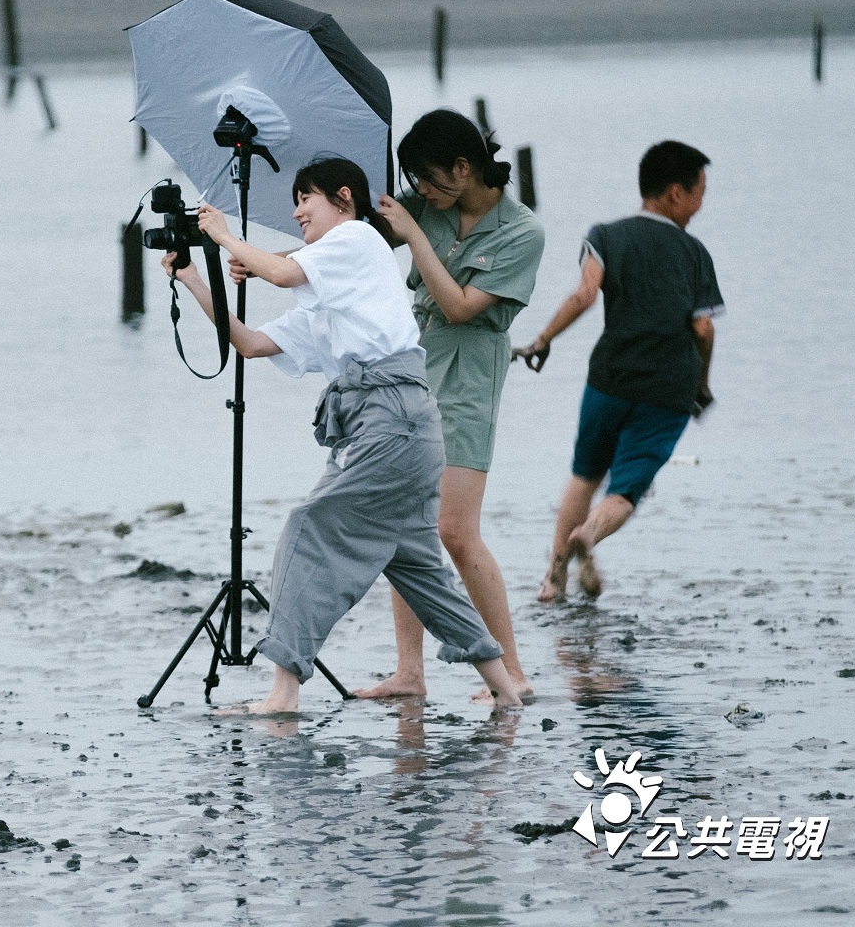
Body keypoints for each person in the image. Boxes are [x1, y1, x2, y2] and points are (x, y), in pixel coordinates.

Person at [167, 156, 525, 715]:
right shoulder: (334, 302)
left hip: (392, 419)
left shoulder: (358, 238)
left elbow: (284, 272)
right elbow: (250, 342)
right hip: (390, 426)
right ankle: (505, 687)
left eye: (304, 199)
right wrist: (193, 276)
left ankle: (282, 692)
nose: (295, 211)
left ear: (342, 198)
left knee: (309, 527)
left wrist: (227, 236)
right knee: (417, 566)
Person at [360, 110, 544, 703]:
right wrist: (251, 258)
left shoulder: (522, 232)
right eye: (414, 183)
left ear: (463, 168)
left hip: (468, 383)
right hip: (411, 374)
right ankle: (410, 673)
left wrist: (413, 236)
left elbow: (463, 306)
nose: (422, 193)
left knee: (456, 533)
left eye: (430, 180)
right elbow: (346, 246)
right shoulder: (426, 207)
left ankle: (511, 670)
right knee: (406, 529)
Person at [513, 141, 721, 601]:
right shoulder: (694, 253)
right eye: (699, 192)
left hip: (609, 377)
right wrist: (701, 387)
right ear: (673, 193)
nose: (702, 202)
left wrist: (542, 339)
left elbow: (585, 295)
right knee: (624, 489)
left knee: (584, 474)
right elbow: (703, 330)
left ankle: (552, 580)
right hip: (667, 390)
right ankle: (590, 534)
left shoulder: (605, 235)